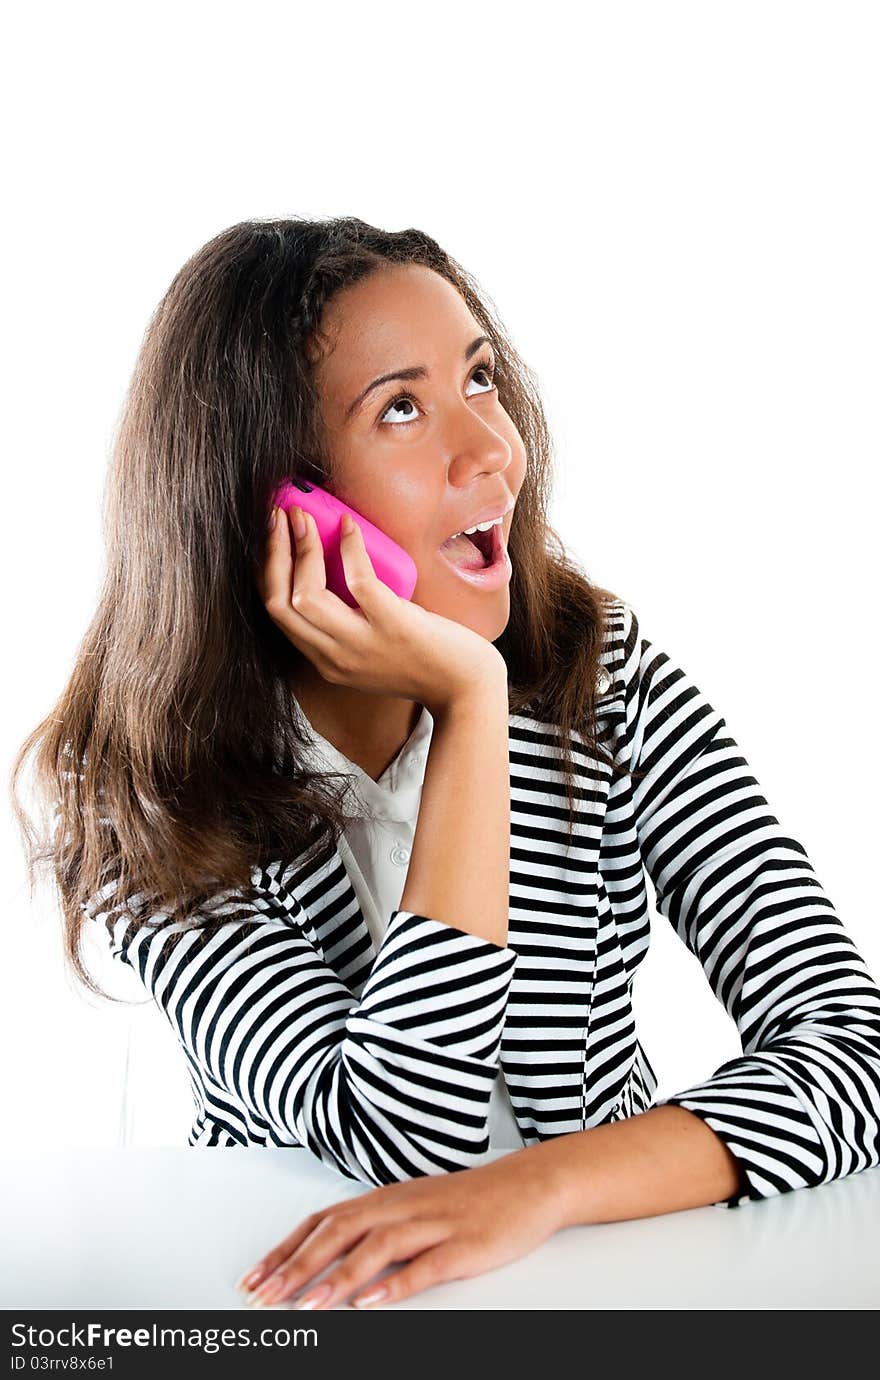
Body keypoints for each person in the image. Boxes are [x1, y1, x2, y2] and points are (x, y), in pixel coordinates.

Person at [12, 217, 880, 1313]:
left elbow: (853, 1048)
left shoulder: (600, 676)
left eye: (479, 378)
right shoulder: (140, 795)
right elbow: (401, 1136)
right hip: (307, 1304)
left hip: (608, 1285)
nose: (490, 449)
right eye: (403, 407)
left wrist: (545, 1188)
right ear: (277, 501)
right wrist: (470, 705)